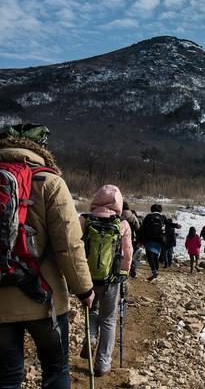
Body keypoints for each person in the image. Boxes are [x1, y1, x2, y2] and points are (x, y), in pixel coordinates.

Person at [0, 124, 94, 388]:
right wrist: (84, 290)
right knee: (55, 370)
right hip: (45, 297)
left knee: (6, 378)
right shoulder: (51, 182)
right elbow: (69, 245)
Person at [80, 184, 133, 377]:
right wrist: (124, 274)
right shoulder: (122, 224)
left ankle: (91, 336)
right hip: (111, 279)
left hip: (87, 277)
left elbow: (75, 246)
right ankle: (103, 363)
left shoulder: (84, 219)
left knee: (92, 311)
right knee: (109, 319)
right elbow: (127, 254)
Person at [139, 204, 165, 281]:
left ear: (151, 209)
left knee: (150, 255)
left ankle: (154, 271)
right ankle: (156, 271)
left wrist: (141, 240)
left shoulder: (148, 217)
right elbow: (168, 224)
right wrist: (176, 225)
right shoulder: (162, 217)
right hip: (159, 239)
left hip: (149, 239)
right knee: (155, 256)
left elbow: (143, 228)